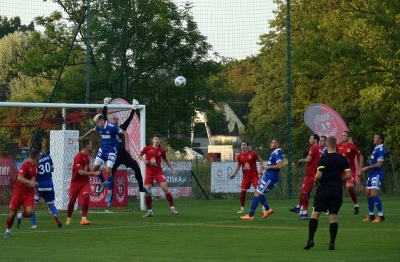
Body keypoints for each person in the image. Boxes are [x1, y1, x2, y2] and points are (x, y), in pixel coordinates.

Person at [101, 97, 151, 207]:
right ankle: (110, 196)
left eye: (116, 119)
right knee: (111, 175)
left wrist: (133, 109)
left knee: (136, 167)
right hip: (114, 155)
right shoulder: (107, 128)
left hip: (123, 153)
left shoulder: (121, 128)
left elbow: (129, 119)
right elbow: (103, 117)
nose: (115, 119)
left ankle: (141, 187)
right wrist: (105, 105)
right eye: (113, 118)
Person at [304, 136, 351, 250]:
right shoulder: (343, 159)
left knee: (315, 214)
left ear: (327, 145)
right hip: (337, 190)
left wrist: (315, 181)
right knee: (333, 216)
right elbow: (348, 175)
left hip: (324, 189)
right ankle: (332, 243)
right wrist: (340, 180)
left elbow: (318, 175)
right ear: (336, 145)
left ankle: (310, 240)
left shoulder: (323, 159)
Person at [78, 112, 129, 200]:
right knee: (94, 169)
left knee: (108, 171)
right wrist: (83, 136)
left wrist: (127, 146)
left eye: (98, 122)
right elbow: (92, 130)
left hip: (111, 151)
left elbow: (125, 133)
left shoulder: (112, 127)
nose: (97, 124)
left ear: (102, 120)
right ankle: (104, 182)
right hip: (102, 150)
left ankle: (109, 193)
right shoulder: (99, 126)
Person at [240, 139, 282, 220]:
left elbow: (279, 165)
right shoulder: (274, 152)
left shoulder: (277, 152)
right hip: (268, 177)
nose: (271, 144)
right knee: (257, 192)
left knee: (257, 193)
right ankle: (268, 209)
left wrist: (267, 167)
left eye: (273, 142)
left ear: (277, 144)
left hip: (270, 178)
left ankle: (250, 215)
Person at [138, 134, 179, 217]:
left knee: (165, 188)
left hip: (158, 173)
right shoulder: (147, 148)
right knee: (147, 192)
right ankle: (149, 211)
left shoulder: (161, 151)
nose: (157, 140)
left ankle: (173, 209)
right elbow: (139, 155)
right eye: (156, 139)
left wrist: (173, 170)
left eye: (159, 139)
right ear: (152, 140)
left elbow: (166, 160)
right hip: (149, 174)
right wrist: (143, 160)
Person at [4, 149, 40, 238]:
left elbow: (33, 179)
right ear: (36, 157)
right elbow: (19, 178)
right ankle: (8, 230)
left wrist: (34, 186)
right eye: (39, 156)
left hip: (29, 193)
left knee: (30, 212)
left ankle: (20, 216)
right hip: (18, 192)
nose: (40, 158)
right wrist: (30, 182)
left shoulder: (36, 166)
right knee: (12, 214)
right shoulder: (25, 165)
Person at [289, 134, 324, 220]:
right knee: (304, 191)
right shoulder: (321, 150)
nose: (309, 140)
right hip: (315, 173)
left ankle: (304, 213)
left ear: (316, 140)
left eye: (311, 138)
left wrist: (301, 160)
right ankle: (298, 207)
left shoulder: (314, 148)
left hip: (311, 174)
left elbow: (308, 159)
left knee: (304, 193)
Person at [66, 139, 101, 225]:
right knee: (72, 201)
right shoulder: (78, 156)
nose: (91, 145)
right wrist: (93, 173)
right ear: (87, 146)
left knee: (86, 197)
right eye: (90, 144)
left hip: (85, 181)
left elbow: (86, 167)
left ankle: (83, 219)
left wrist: (91, 172)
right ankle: (68, 218)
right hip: (75, 182)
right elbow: (80, 172)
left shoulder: (88, 155)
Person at [29, 142, 62, 229]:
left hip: (39, 186)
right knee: (51, 204)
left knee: (31, 205)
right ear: (41, 149)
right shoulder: (48, 156)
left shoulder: (35, 160)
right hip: (49, 185)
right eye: (43, 147)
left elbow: (33, 174)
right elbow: (52, 169)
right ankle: (55, 214)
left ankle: (34, 225)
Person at [358, 132, 387, 223]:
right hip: (372, 174)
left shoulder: (381, 149)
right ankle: (371, 214)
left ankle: (381, 215)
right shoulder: (376, 148)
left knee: (374, 193)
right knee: (368, 193)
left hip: (377, 174)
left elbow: (379, 164)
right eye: (374, 137)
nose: (374, 138)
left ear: (380, 140)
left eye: (376, 137)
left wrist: (366, 167)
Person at [229, 141, 264, 213]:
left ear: (247, 146)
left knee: (258, 191)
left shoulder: (253, 154)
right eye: (242, 145)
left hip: (254, 176)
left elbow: (261, 160)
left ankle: (264, 207)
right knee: (242, 192)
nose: (243, 146)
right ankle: (242, 209)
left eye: (245, 145)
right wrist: (234, 173)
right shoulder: (239, 156)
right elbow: (238, 165)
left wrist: (261, 169)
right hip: (246, 177)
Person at [337, 131, 364, 214]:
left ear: (348, 138)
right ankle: (335, 205)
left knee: (349, 188)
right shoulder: (338, 146)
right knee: (336, 188)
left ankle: (356, 205)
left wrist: (360, 169)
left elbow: (360, 156)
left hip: (350, 170)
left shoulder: (352, 147)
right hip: (340, 170)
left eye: (344, 136)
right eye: (341, 135)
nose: (342, 137)